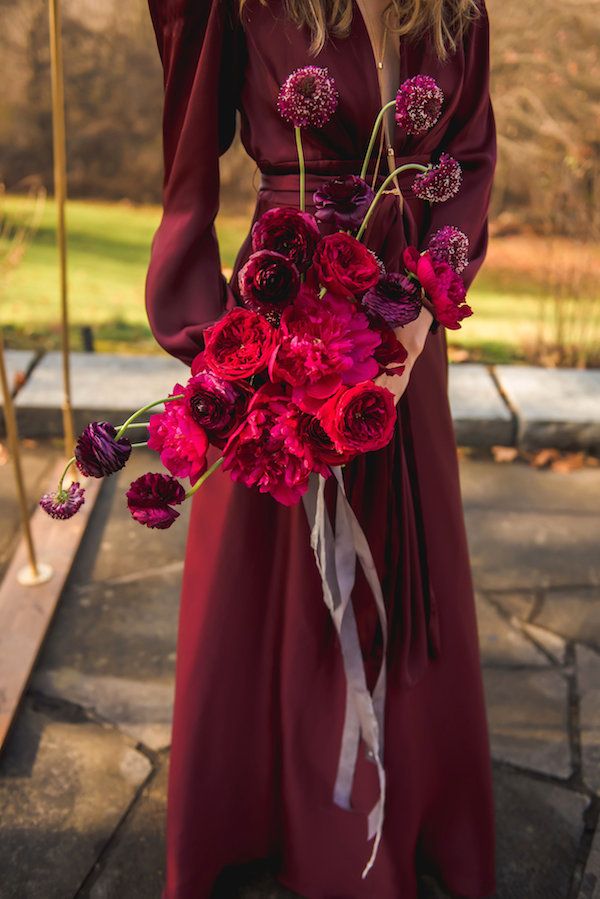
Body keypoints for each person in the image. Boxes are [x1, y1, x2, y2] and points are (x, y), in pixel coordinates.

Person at [145, 0, 497, 896]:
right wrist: (214, 336)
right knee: (266, 567)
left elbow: (469, 161)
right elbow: (188, 165)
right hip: (282, 305)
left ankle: (407, 805)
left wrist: (422, 312)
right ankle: (253, 808)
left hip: (408, 314)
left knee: (402, 559)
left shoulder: (455, 10)